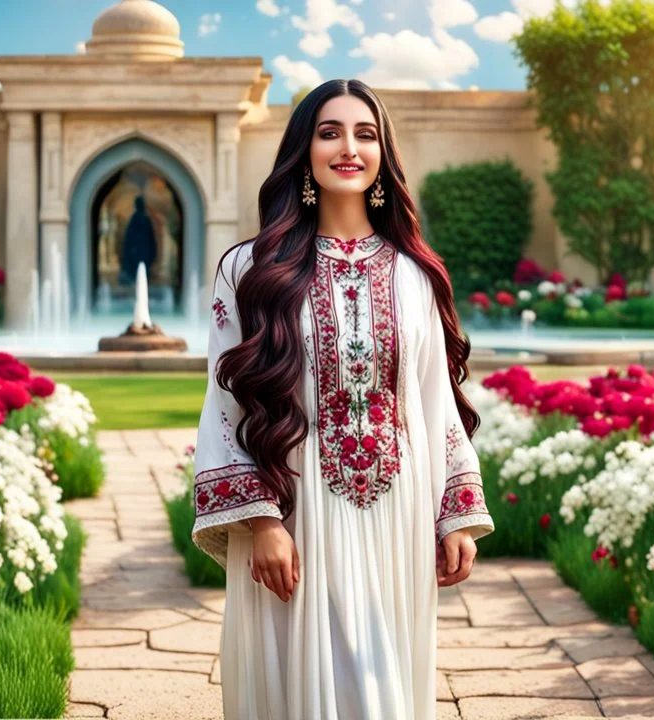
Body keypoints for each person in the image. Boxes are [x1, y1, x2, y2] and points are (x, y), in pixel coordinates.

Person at [191, 78, 493, 719]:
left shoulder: (416, 273)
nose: (348, 148)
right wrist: (263, 521)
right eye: (330, 132)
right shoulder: (249, 271)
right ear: (304, 152)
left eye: (365, 133)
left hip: (397, 513)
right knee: (305, 683)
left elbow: (434, 397)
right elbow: (225, 402)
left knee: (381, 678)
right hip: (297, 507)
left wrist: (456, 510)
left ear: (384, 153)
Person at [119, 194, 157, 285]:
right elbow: (129, 239)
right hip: (137, 253)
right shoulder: (136, 219)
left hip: (142, 252)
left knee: (142, 275)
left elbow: (150, 238)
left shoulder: (143, 219)